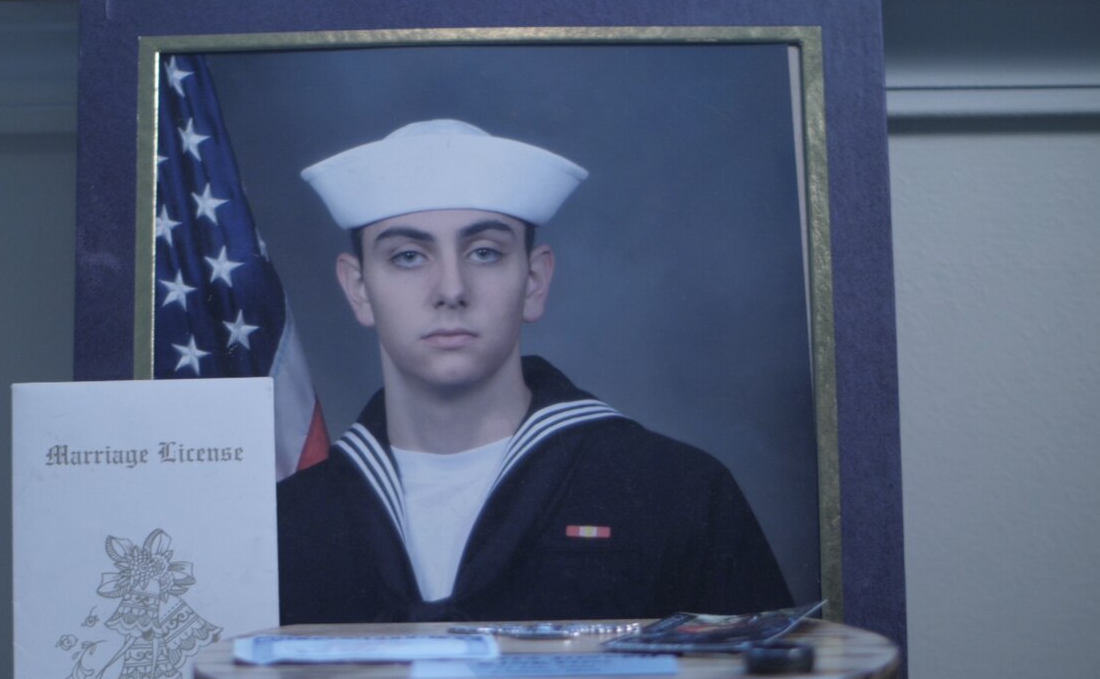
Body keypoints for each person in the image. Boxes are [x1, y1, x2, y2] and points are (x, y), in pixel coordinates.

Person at [277, 119, 792, 624]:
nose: (451, 289)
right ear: (359, 288)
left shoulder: (678, 491)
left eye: (485, 252)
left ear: (534, 281)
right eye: (409, 256)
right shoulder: (289, 522)